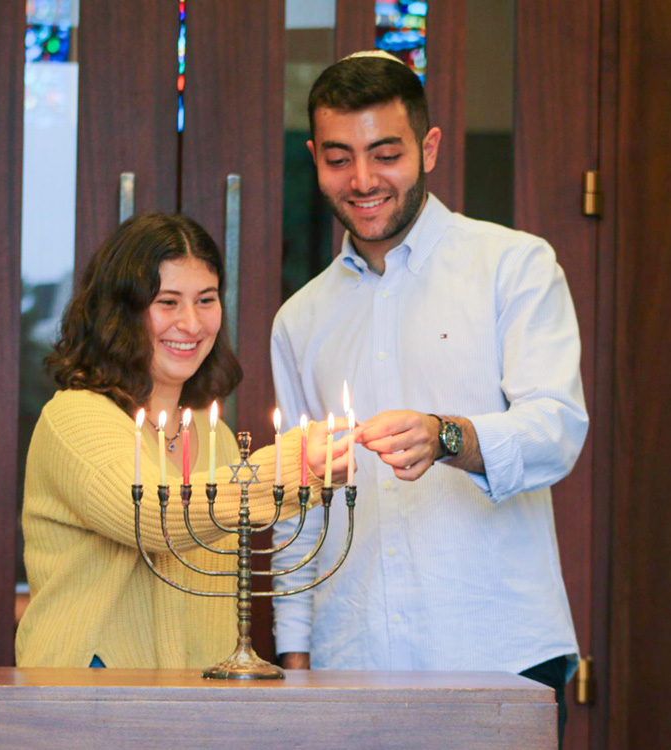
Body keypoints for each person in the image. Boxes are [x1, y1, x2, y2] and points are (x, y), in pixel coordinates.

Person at [270, 52, 588, 744]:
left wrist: (448, 435)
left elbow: (558, 429)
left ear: (429, 147)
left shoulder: (514, 266)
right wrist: (295, 661)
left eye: (386, 154)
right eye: (339, 158)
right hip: (347, 662)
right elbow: (301, 508)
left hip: (498, 654)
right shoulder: (300, 318)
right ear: (314, 159)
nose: (362, 181)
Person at [15, 212, 349, 669]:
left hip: (196, 710)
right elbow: (155, 515)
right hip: (86, 703)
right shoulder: (75, 418)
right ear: (121, 311)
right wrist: (298, 467)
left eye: (206, 300)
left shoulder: (217, 439)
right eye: (168, 302)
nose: (191, 324)